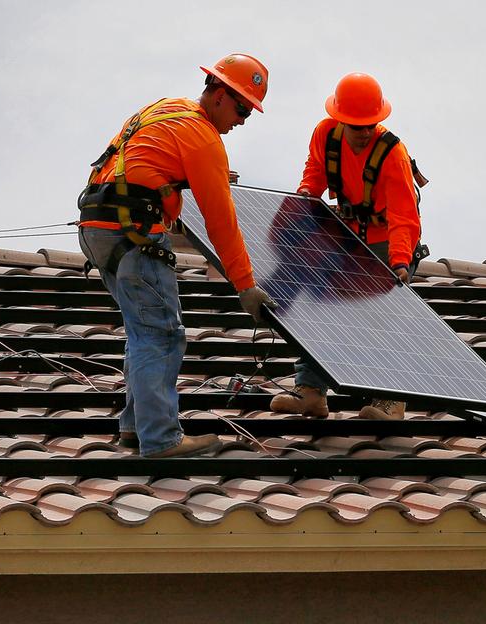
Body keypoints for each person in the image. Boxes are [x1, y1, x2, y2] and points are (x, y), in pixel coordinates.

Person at [77, 53, 276, 457]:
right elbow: (222, 224)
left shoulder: (167, 108)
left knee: (142, 329)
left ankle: (135, 427)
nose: (242, 120)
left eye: (249, 113)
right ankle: (161, 437)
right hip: (135, 233)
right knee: (161, 333)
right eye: (241, 108)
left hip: (97, 225)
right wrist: (245, 286)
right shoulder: (203, 139)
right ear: (218, 94)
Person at [270, 72, 424, 421]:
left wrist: (400, 261)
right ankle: (310, 392)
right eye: (357, 126)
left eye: (371, 124)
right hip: (349, 235)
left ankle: (390, 400)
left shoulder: (393, 154)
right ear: (340, 119)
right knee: (319, 306)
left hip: (388, 240)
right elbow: (314, 173)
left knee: (385, 316)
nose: (365, 132)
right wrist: (306, 199)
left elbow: (404, 216)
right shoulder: (325, 135)